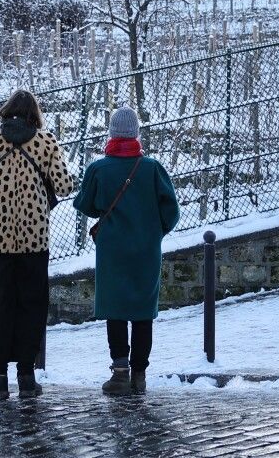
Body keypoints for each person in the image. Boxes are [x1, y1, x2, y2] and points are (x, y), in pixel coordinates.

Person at [0, 90, 76, 399]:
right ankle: (27, 376)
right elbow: (64, 186)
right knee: (32, 304)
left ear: (7, 111)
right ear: (35, 115)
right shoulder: (46, 142)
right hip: (33, 238)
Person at [74, 106, 179, 396]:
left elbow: (85, 204)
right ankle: (140, 375)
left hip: (112, 251)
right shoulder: (153, 168)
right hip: (146, 250)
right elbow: (171, 211)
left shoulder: (98, 169)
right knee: (143, 311)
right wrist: (154, 232)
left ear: (111, 134)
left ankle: (119, 372)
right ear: (136, 134)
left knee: (116, 309)